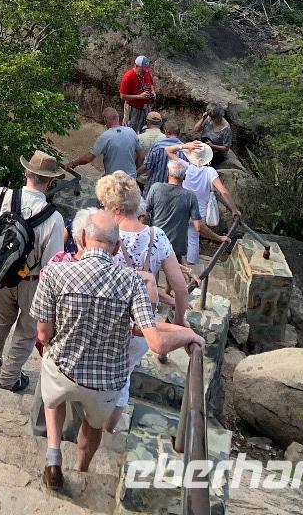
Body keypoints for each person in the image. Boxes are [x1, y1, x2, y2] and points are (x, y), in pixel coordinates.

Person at [33, 210, 205, 492]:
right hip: (105, 384)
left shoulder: (55, 272)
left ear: (85, 239)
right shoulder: (132, 281)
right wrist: (187, 333)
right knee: (92, 425)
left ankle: (53, 455)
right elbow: (155, 342)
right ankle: (81, 470)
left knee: (53, 395)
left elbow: (43, 334)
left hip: (62, 371)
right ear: (115, 247)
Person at [96, 172, 191, 428]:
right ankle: (108, 429)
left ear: (112, 206)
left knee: (95, 369)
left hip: (104, 319)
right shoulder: (156, 236)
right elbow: (181, 288)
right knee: (123, 377)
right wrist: (180, 320)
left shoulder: (103, 234)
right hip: (141, 328)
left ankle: (89, 423)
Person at [0, 151, 67, 392]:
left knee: (1, 317)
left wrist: (0, 252)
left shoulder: (1, 195)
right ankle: (9, 378)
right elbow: (51, 263)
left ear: (26, 172)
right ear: (50, 181)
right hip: (32, 281)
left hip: (1, 273)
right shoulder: (54, 218)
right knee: (26, 330)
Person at [178, 142, 239, 266]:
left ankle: (178, 265)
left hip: (183, 209)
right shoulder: (210, 171)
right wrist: (234, 209)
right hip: (200, 213)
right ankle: (191, 267)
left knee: (179, 236)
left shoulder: (185, 167)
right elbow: (223, 191)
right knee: (194, 238)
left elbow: (168, 150)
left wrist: (184, 146)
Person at [140, 159, 208, 266]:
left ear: (168, 173)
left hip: (156, 241)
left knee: (153, 272)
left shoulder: (156, 188)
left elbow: (145, 214)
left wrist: (141, 236)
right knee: (173, 276)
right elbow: (198, 227)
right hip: (176, 245)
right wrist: (219, 238)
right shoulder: (190, 196)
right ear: (184, 177)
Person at [70, 108, 141, 177]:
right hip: (131, 179)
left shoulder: (106, 136)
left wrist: (73, 163)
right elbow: (141, 156)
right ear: (118, 118)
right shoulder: (131, 131)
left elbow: (88, 158)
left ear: (105, 120)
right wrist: (135, 172)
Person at [143, 116, 184, 188]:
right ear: (178, 133)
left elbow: (147, 166)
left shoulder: (157, 147)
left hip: (156, 187)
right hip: (176, 189)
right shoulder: (184, 150)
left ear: (165, 132)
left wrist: (136, 173)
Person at [119, 56, 155, 131]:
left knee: (145, 128)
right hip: (132, 107)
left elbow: (151, 84)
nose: (145, 71)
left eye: (146, 69)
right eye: (143, 69)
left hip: (146, 107)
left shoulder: (146, 73)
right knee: (130, 128)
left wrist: (153, 92)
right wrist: (139, 96)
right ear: (136, 66)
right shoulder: (128, 77)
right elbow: (122, 96)